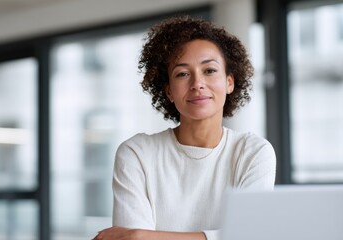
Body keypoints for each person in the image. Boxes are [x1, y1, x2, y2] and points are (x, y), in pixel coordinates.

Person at [93, 15, 276, 240]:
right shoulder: (136, 153)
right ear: (169, 91)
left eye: (209, 70)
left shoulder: (253, 152)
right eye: (182, 74)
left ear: (229, 82)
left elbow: (251, 235)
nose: (197, 83)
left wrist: (143, 235)